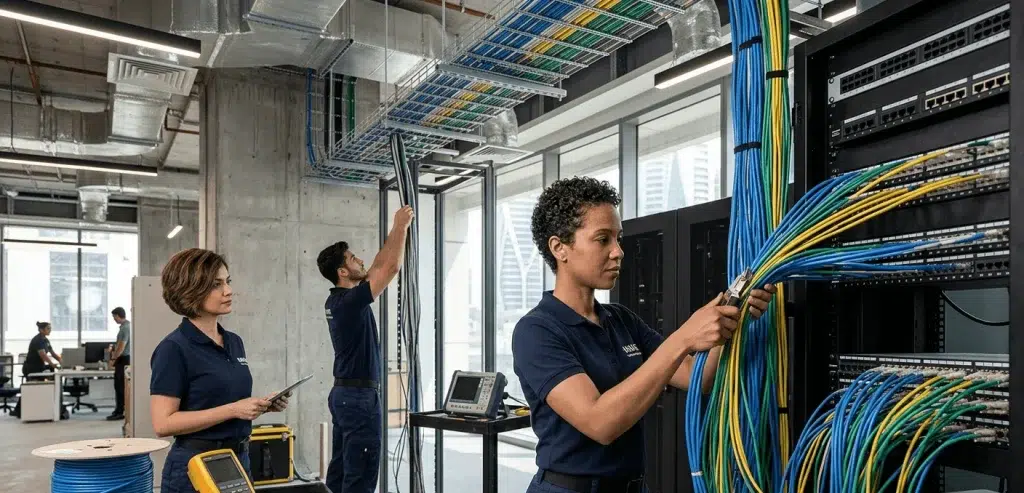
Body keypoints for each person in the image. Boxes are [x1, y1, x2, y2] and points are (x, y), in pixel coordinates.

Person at [512, 177, 776, 493]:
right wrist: (684, 337)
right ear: (560, 248)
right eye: (602, 239)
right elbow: (601, 423)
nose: (618, 252)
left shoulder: (621, 319)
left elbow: (698, 377)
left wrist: (732, 319)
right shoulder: (537, 331)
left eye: (618, 239)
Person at [150, 248, 290, 493]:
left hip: (237, 460)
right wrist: (234, 409)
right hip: (195, 465)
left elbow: (224, 402)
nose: (228, 291)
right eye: (216, 284)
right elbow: (163, 423)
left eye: (228, 281)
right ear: (190, 290)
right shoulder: (173, 349)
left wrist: (258, 407)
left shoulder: (234, 341)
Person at [316, 204, 414, 493]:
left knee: (342, 470)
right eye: (352, 258)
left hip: (345, 395)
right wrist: (400, 226)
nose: (361, 259)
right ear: (343, 271)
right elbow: (390, 268)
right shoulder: (348, 302)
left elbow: (377, 266)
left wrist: (395, 231)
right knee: (360, 476)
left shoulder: (338, 300)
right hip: (359, 398)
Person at [11, 321, 63, 418]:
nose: (50, 330)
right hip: (31, 368)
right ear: (41, 330)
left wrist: (62, 361)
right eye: (48, 328)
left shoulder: (46, 340)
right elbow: (43, 355)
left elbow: (52, 353)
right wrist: (53, 365)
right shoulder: (37, 340)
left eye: (50, 328)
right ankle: (18, 410)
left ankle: (22, 409)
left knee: (35, 389)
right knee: (32, 389)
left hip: (39, 367)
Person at [107, 307, 131, 421]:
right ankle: (119, 410)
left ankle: (119, 412)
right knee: (121, 387)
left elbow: (121, 346)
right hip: (125, 359)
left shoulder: (125, 328)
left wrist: (113, 358)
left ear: (117, 316)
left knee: (119, 387)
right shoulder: (128, 326)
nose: (114, 319)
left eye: (114, 317)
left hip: (123, 359)